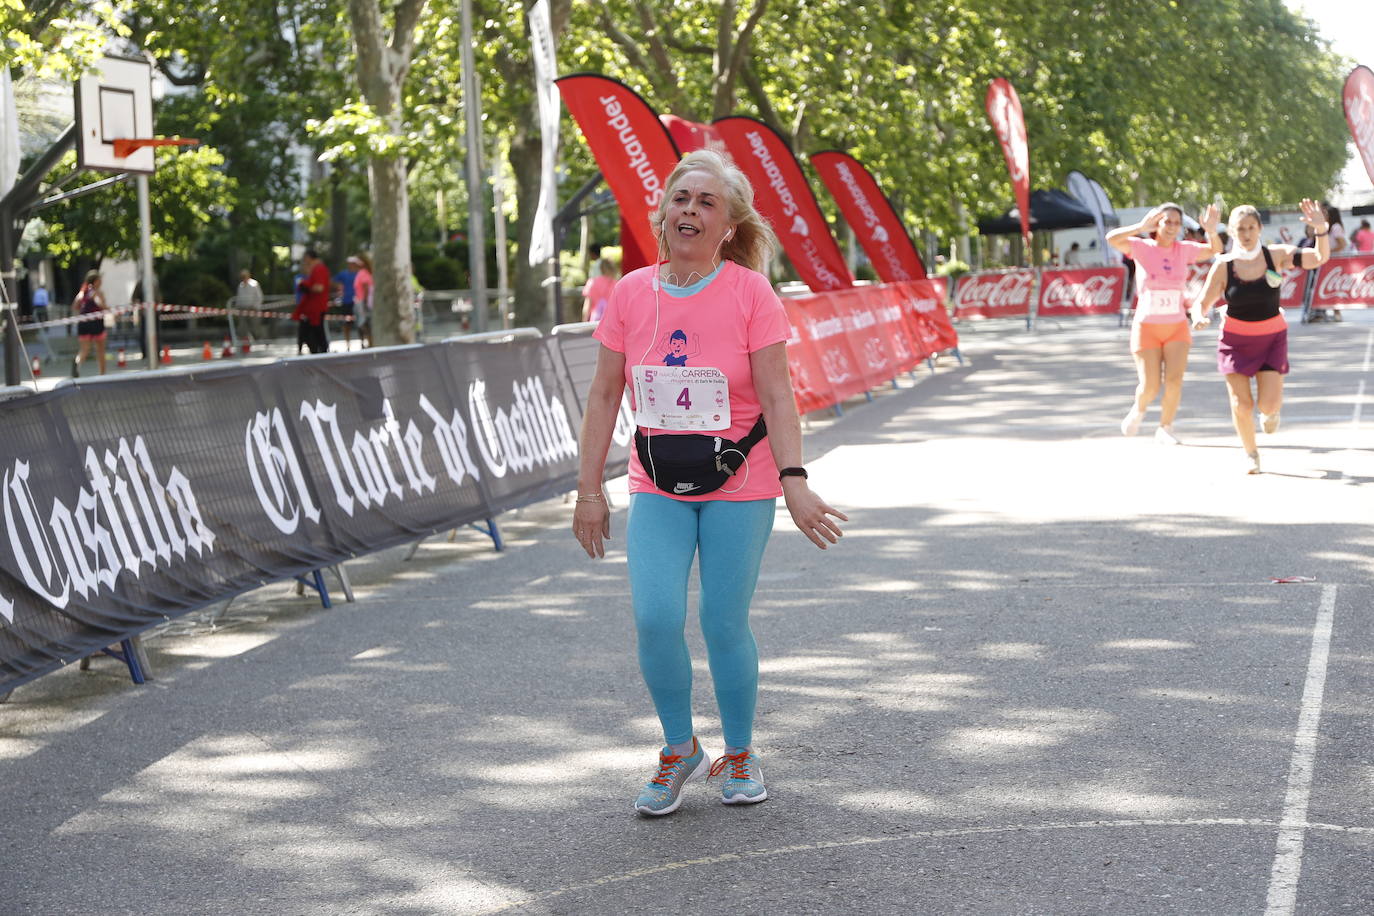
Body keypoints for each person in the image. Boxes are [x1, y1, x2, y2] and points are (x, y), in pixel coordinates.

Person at [572, 149, 848, 817]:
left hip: (742, 479)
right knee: (655, 616)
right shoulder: (632, 294)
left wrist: (795, 481)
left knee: (722, 620)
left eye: (707, 203)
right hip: (657, 480)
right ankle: (679, 749)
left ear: (728, 227)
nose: (691, 211)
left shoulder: (751, 293)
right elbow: (605, 395)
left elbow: (779, 398)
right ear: (662, 213)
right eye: (682, 199)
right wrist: (589, 490)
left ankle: (741, 753)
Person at [1192, 200, 1329, 474]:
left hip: (1271, 338)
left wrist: (1321, 230)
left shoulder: (1275, 256)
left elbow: (1317, 258)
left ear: (1259, 228)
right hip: (1234, 341)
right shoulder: (1224, 265)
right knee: (1242, 404)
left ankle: (1271, 411)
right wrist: (1198, 317)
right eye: (1240, 228)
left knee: (1267, 404)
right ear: (1232, 232)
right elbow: (1201, 302)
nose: (1246, 233)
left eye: (1251, 227)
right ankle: (1251, 453)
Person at [1106, 202, 1223, 444]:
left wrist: (1211, 230)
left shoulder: (1183, 250)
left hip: (1176, 325)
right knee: (1150, 386)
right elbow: (1111, 239)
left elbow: (1214, 249)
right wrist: (1140, 226)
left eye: (1176, 223)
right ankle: (1139, 410)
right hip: (1147, 326)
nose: (1171, 227)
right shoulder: (1142, 247)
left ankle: (1165, 427)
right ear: (1157, 223)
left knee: (1174, 380)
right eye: (1167, 221)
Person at [292, 249, 331, 354]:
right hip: (312, 308)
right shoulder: (317, 269)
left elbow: (319, 288)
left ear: (309, 258)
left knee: (317, 332)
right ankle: (317, 351)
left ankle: (321, 352)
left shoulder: (319, 269)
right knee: (313, 332)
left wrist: (306, 286)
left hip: (316, 308)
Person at [71, 270, 108, 377]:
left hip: (83, 322)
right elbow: (101, 304)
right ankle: (102, 374)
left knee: (84, 350)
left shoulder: (83, 292)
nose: (101, 282)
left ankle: (77, 363)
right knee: (100, 349)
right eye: (100, 279)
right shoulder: (97, 292)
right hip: (96, 322)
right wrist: (109, 309)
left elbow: (74, 305)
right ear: (96, 281)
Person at [581, 257, 618, 322]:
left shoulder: (592, 282)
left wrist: (584, 322)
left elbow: (587, 306)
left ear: (601, 269)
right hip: (611, 321)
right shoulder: (617, 285)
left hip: (595, 321)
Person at [333, 257, 358, 350]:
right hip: (346, 301)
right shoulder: (344, 274)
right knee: (346, 324)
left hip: (357, 302)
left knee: (361, 324)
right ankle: (348, 344)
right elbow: (333, 281)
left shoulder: (358, 274)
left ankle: (364, 342)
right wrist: (340, 287)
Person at [352, 254, 374, 348]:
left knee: (364, 324)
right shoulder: (363, 272)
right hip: (360, 301)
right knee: (363, 324)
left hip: (362, 302)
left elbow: (366, 287)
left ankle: (369, 343)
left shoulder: (363, 273)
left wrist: (364, 302)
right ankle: (365, 343)